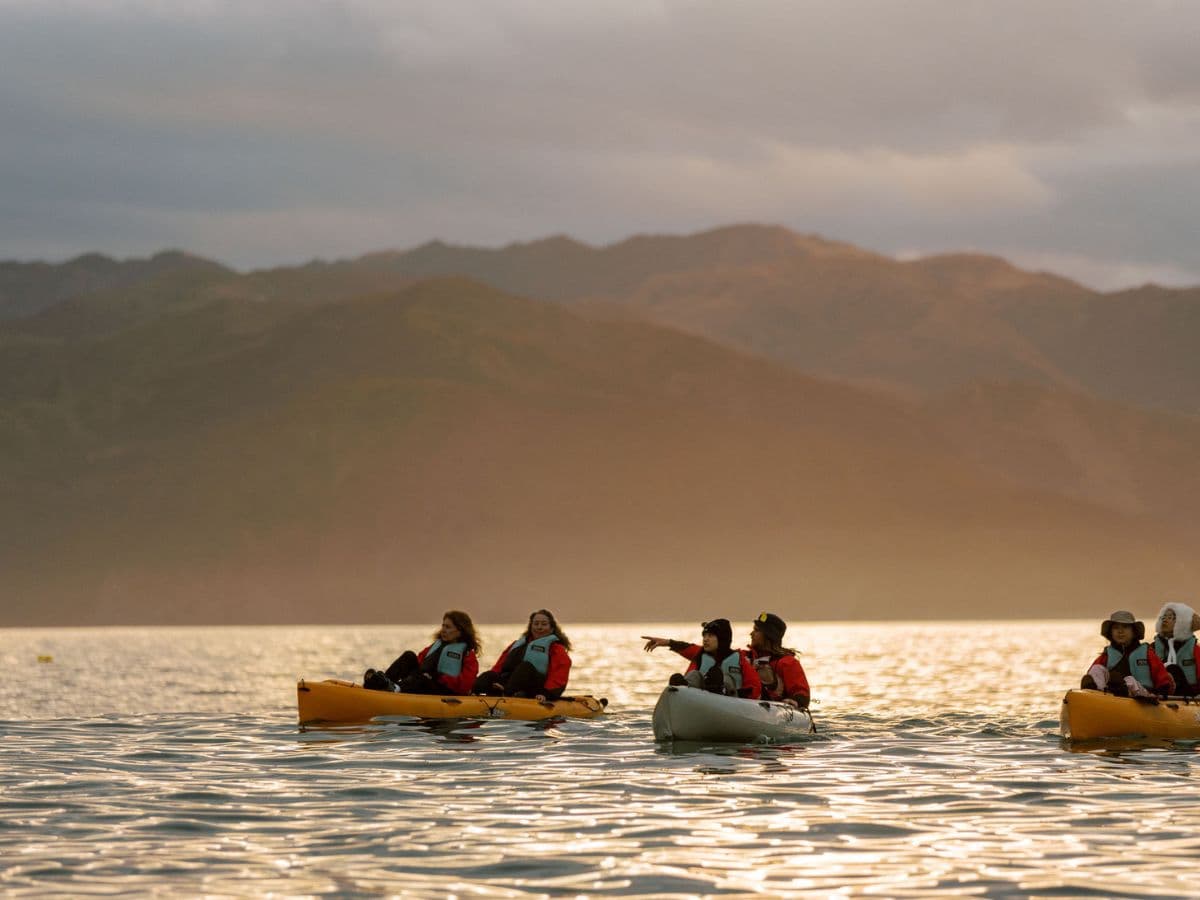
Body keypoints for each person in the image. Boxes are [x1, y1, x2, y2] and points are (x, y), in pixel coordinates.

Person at [363, 610, 480, 695]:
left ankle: (394, 688)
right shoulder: (436, 646)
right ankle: (383, 683)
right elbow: (420, 664)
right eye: (443, 626)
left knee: (423, 678)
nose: (443, 630)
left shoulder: (467, 655)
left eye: (448, 627)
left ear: (460, 631)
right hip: (422, 682)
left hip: (443, 690)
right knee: (409, 656)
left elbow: (465, 686)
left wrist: (437, 677)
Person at [641, 619, 761, 699]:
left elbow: (755, 686)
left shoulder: (739, 659)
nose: (705, 639)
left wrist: (742, 695)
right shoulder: (700, 654)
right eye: (704, 635)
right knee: (693, 675)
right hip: (702, 700)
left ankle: (718, 690)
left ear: (722, 639)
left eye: (711, 636)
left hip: (731, 699)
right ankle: (681, 691)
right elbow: (686, 647)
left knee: (718, 675)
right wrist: (667, 642)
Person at [473, 609, 573, 701]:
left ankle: (506, 692)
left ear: (551, 629)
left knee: (525, 667)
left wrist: (546, 693)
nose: (539, 627)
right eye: (536, 624)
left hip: (537, 689)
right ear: (531, 627)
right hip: (509, 684)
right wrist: (491, 681)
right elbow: (498, 667)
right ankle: (472, 693)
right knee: (489, 675)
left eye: (544, 624)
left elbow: (559, 675)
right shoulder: (517, 644)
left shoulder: (557, 649)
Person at [1081, 609, 1174, 698]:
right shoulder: (1106, 655)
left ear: (1134, 631)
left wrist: (1161, 692)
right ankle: (1095, 693)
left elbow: (1162, 677)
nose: (1120, 631)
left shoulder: (1147, 652)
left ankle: (1124, 690)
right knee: (1097, 668)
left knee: (1129, 680)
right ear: (1111, 632)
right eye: (1116, 628)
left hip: (1144, 694)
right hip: (1111, 696)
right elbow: (1093, 674)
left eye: (1125, 627)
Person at [748, 612, 810, 709]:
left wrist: (796, 701)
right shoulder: (746, 658)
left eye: (756, 630)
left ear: (768, 636)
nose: (751, 634)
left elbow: (802, 693)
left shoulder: (787, 663)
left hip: (775, 710)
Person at [1151, 602, 1200, 697]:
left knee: (1173, 669)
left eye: (1170, 618)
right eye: (1163, 617)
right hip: (1159, 693)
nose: (1165, 620)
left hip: (1190, 696)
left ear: (1182, 622)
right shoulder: (1152, 649)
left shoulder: (1195, 649)